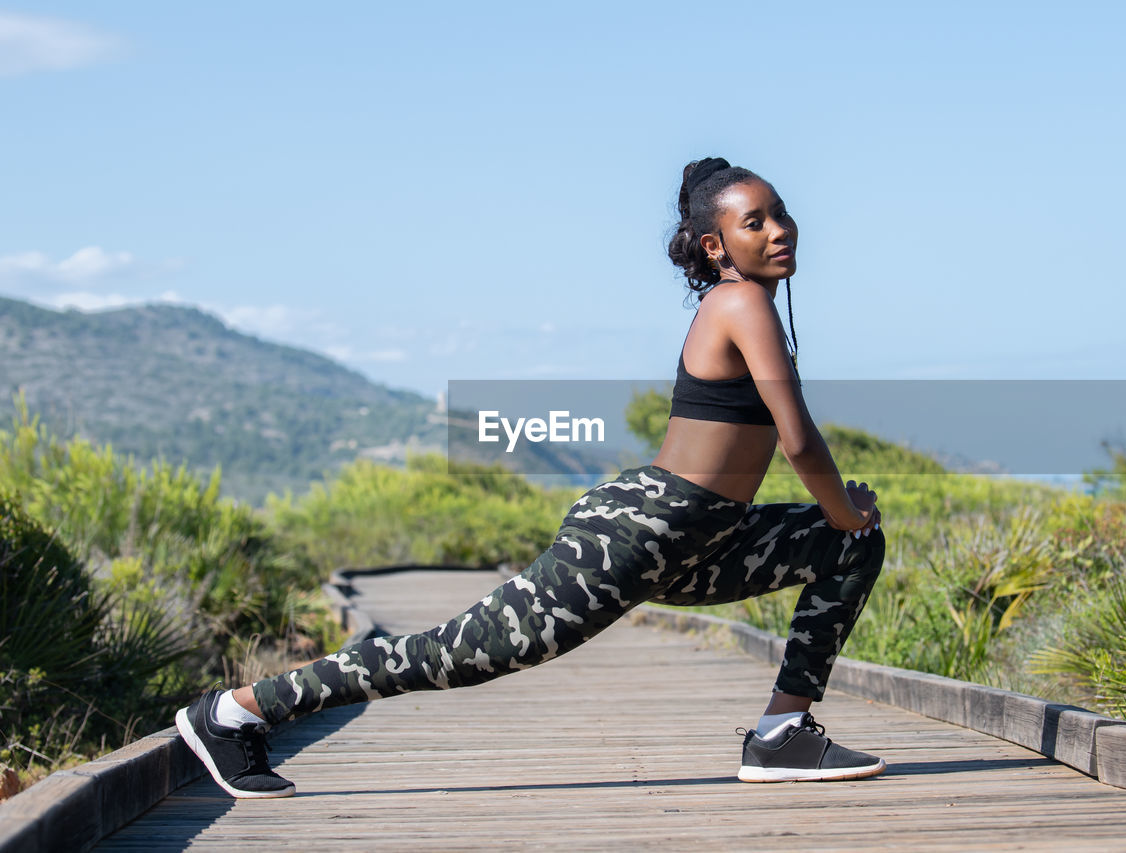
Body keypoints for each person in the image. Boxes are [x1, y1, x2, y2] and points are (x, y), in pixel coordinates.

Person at [176, 156, 887, 798]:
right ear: (715, 244)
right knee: (457, 654)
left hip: (706, 536)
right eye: (753, 222)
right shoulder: (742, 301)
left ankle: (779, 735)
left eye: (781, 214)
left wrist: (843, 521)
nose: (778, 231)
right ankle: (234, 711)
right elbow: (797, 439)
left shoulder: (747, 303)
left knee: (852, 545)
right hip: (637, 535)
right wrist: (841, 505)